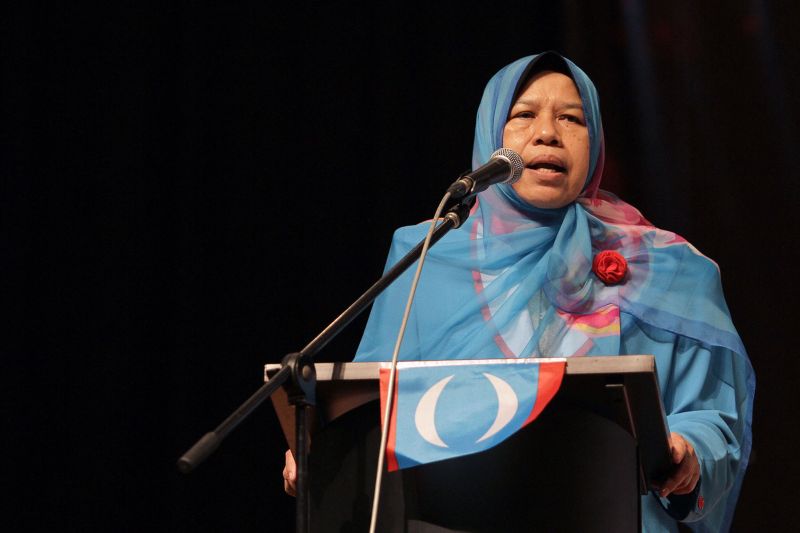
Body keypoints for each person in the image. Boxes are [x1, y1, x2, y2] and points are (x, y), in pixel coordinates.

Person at [285, 52, 754, 532]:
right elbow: (368, 400)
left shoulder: (669, 270)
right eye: (524, 115)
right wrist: (328, 451)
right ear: (491, 135)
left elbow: (711, 416)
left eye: (572, 118)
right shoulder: (425, 254)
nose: (548, 132)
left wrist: (690, 448)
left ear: (596, 144)